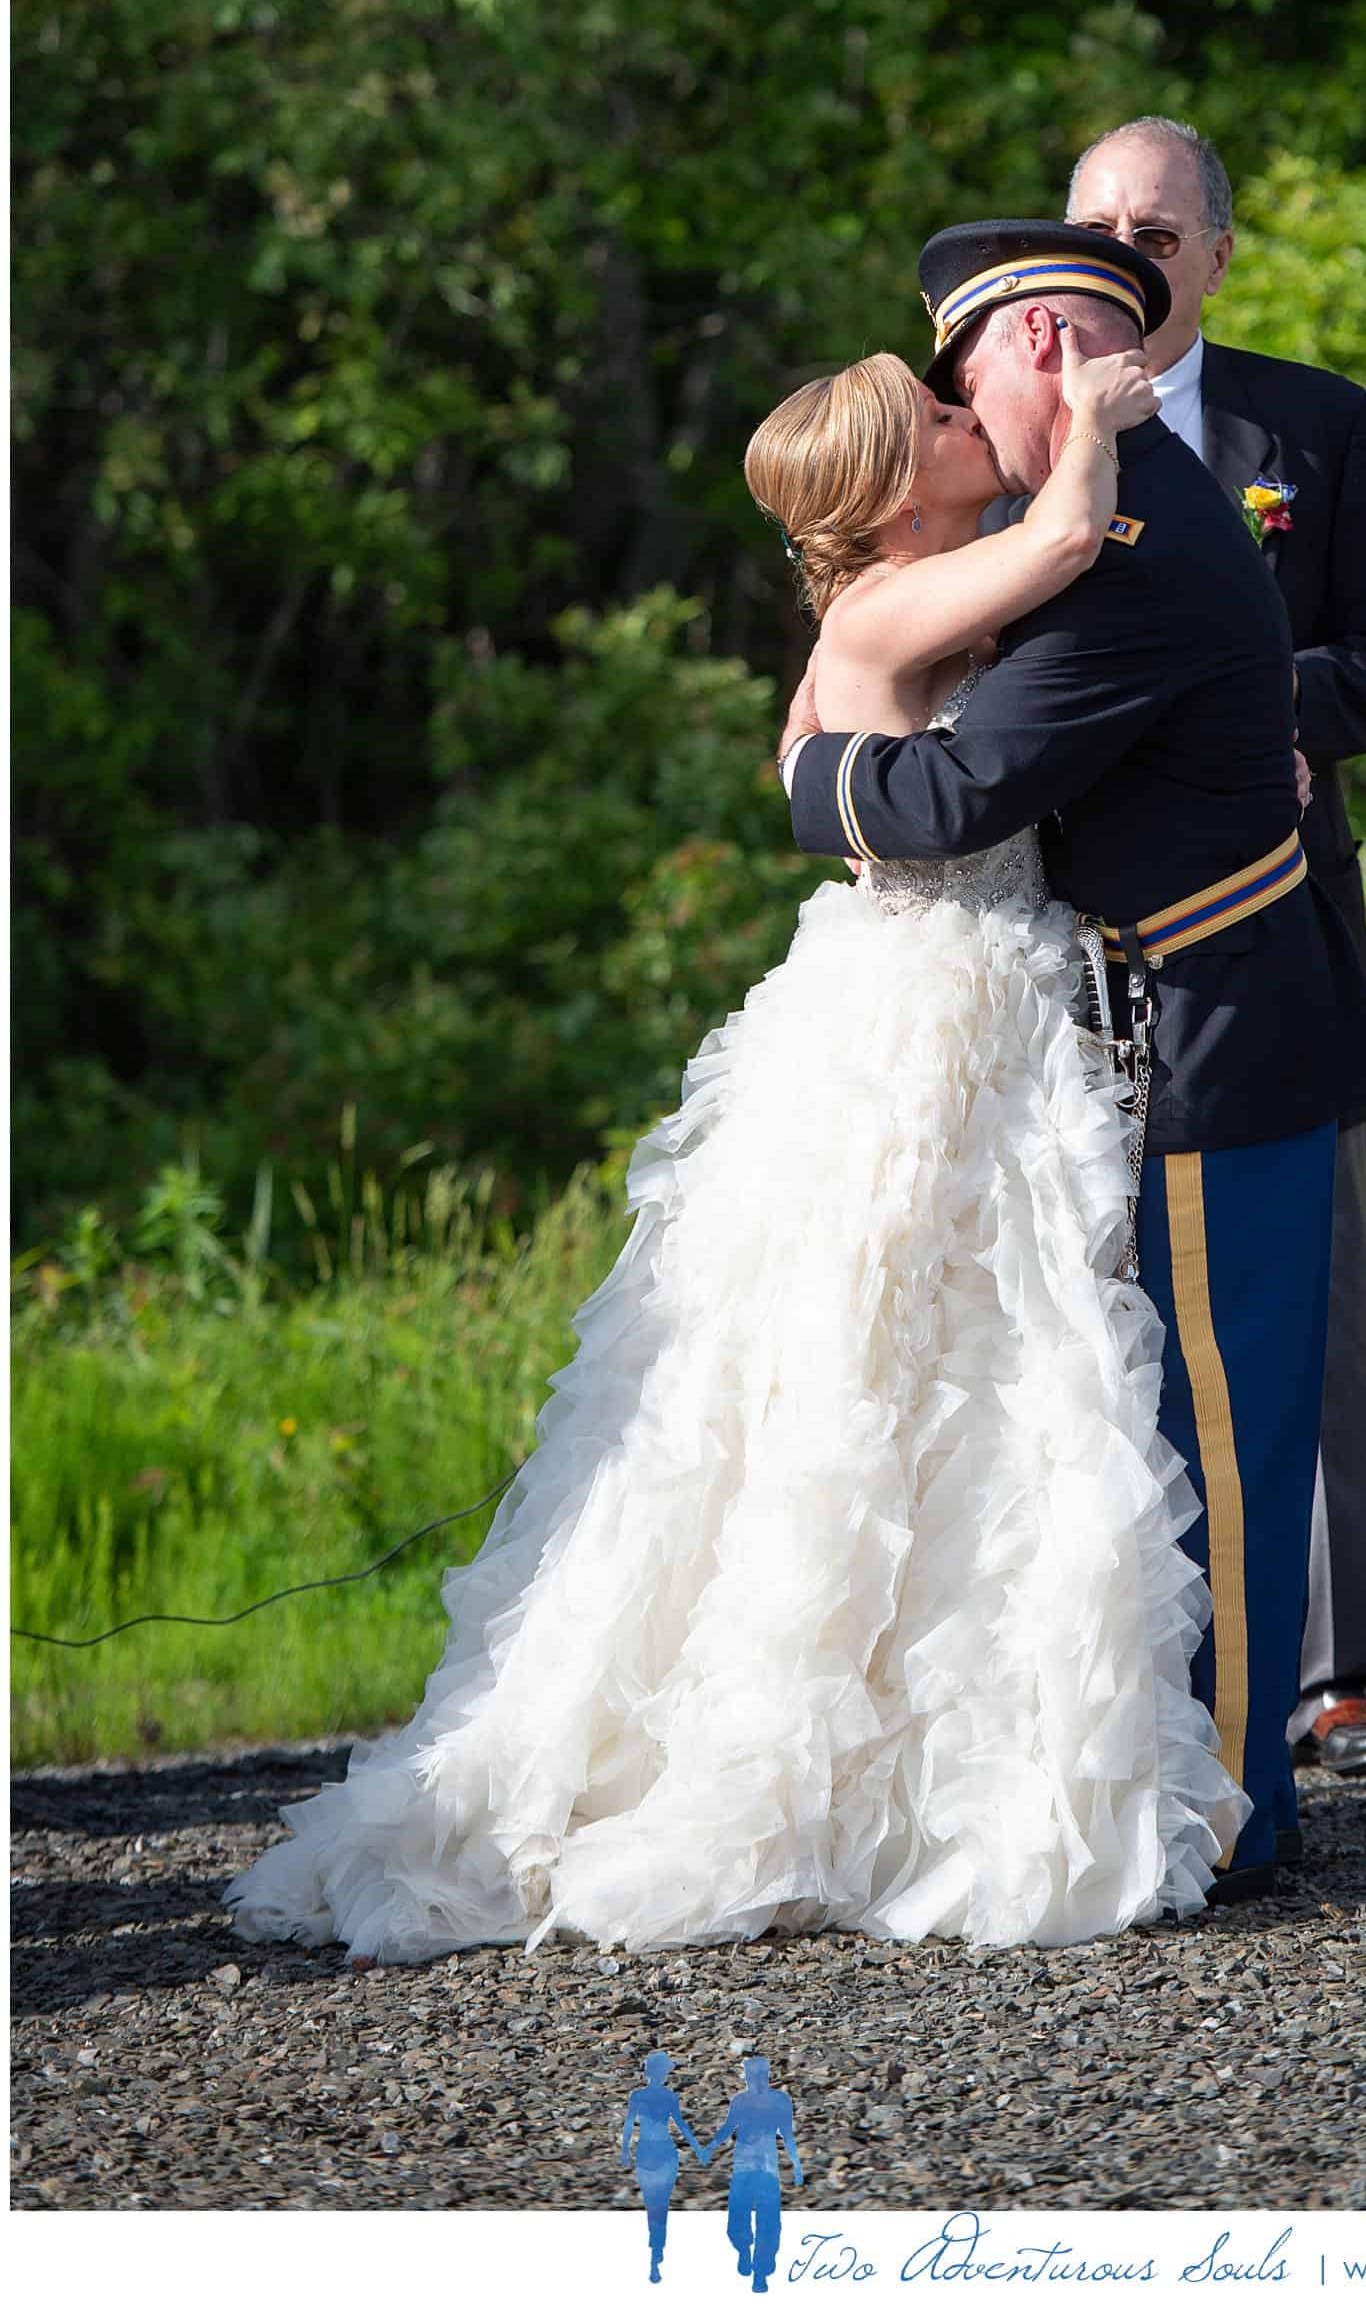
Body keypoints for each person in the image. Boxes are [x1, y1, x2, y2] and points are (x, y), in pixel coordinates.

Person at [222, 332, 1249, 1963]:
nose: (956, 408)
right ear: (885, 482)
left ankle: (926, 1747)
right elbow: (1064, 544)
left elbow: (849, 745)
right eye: (929, 414)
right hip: (924, 1012)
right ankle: (808, 1766)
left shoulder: (897, 602)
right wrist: (1112, 417)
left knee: (966, 1373)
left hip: (969, 996)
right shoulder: (887, 604)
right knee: (879, 1368)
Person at [780, 220, 1366, 1898]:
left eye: (960, 369)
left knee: (1225, 1448)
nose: (951, 400)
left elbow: (950, 800)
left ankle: (1233, 1811)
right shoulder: (1104, 530)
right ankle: (1189, 1785)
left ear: (1037, 347)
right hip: (1179, 1036)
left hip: (1214, 1047)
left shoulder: (1118, 552)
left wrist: (802, 776)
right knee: (1173, 1439)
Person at [1064, 118, 1366, 1781]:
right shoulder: (1009, 420)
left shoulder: (1314, 426)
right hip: (1071, 930)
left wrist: (1260, 713)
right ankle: (1110, 1662)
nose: (1124, 252)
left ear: (1219, 252)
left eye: (1156, 226)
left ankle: (1332, 1668)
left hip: (1277, 924)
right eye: (1094, 224)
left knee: (1310, 1296)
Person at [702, 2055, 803, 2293]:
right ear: (747, 2076)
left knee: (767, 2221)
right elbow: (729, 2127)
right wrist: (710, 2147)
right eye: (752, 2075)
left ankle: (760, 2271)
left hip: (765, 2166)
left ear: (766, 2075)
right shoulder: (741, 2101)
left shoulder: (779, 2101)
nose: (755, 2079)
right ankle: (744, 2250)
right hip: (746, 2164)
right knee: (740, 2216)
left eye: (759, 2074)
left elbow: (787, 2133)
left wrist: (796, 2164)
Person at [621, 2049, 705, 2284]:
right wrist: (698, 2148)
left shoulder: (638, 2095)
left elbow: (629, 2125)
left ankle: (655, 2252)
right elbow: (680, 2125)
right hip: (664, 2149)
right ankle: (657, 2251)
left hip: (648, 2149)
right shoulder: (668, 2096)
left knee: (652, 2201)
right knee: (661, 2202)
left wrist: (624, 2152)